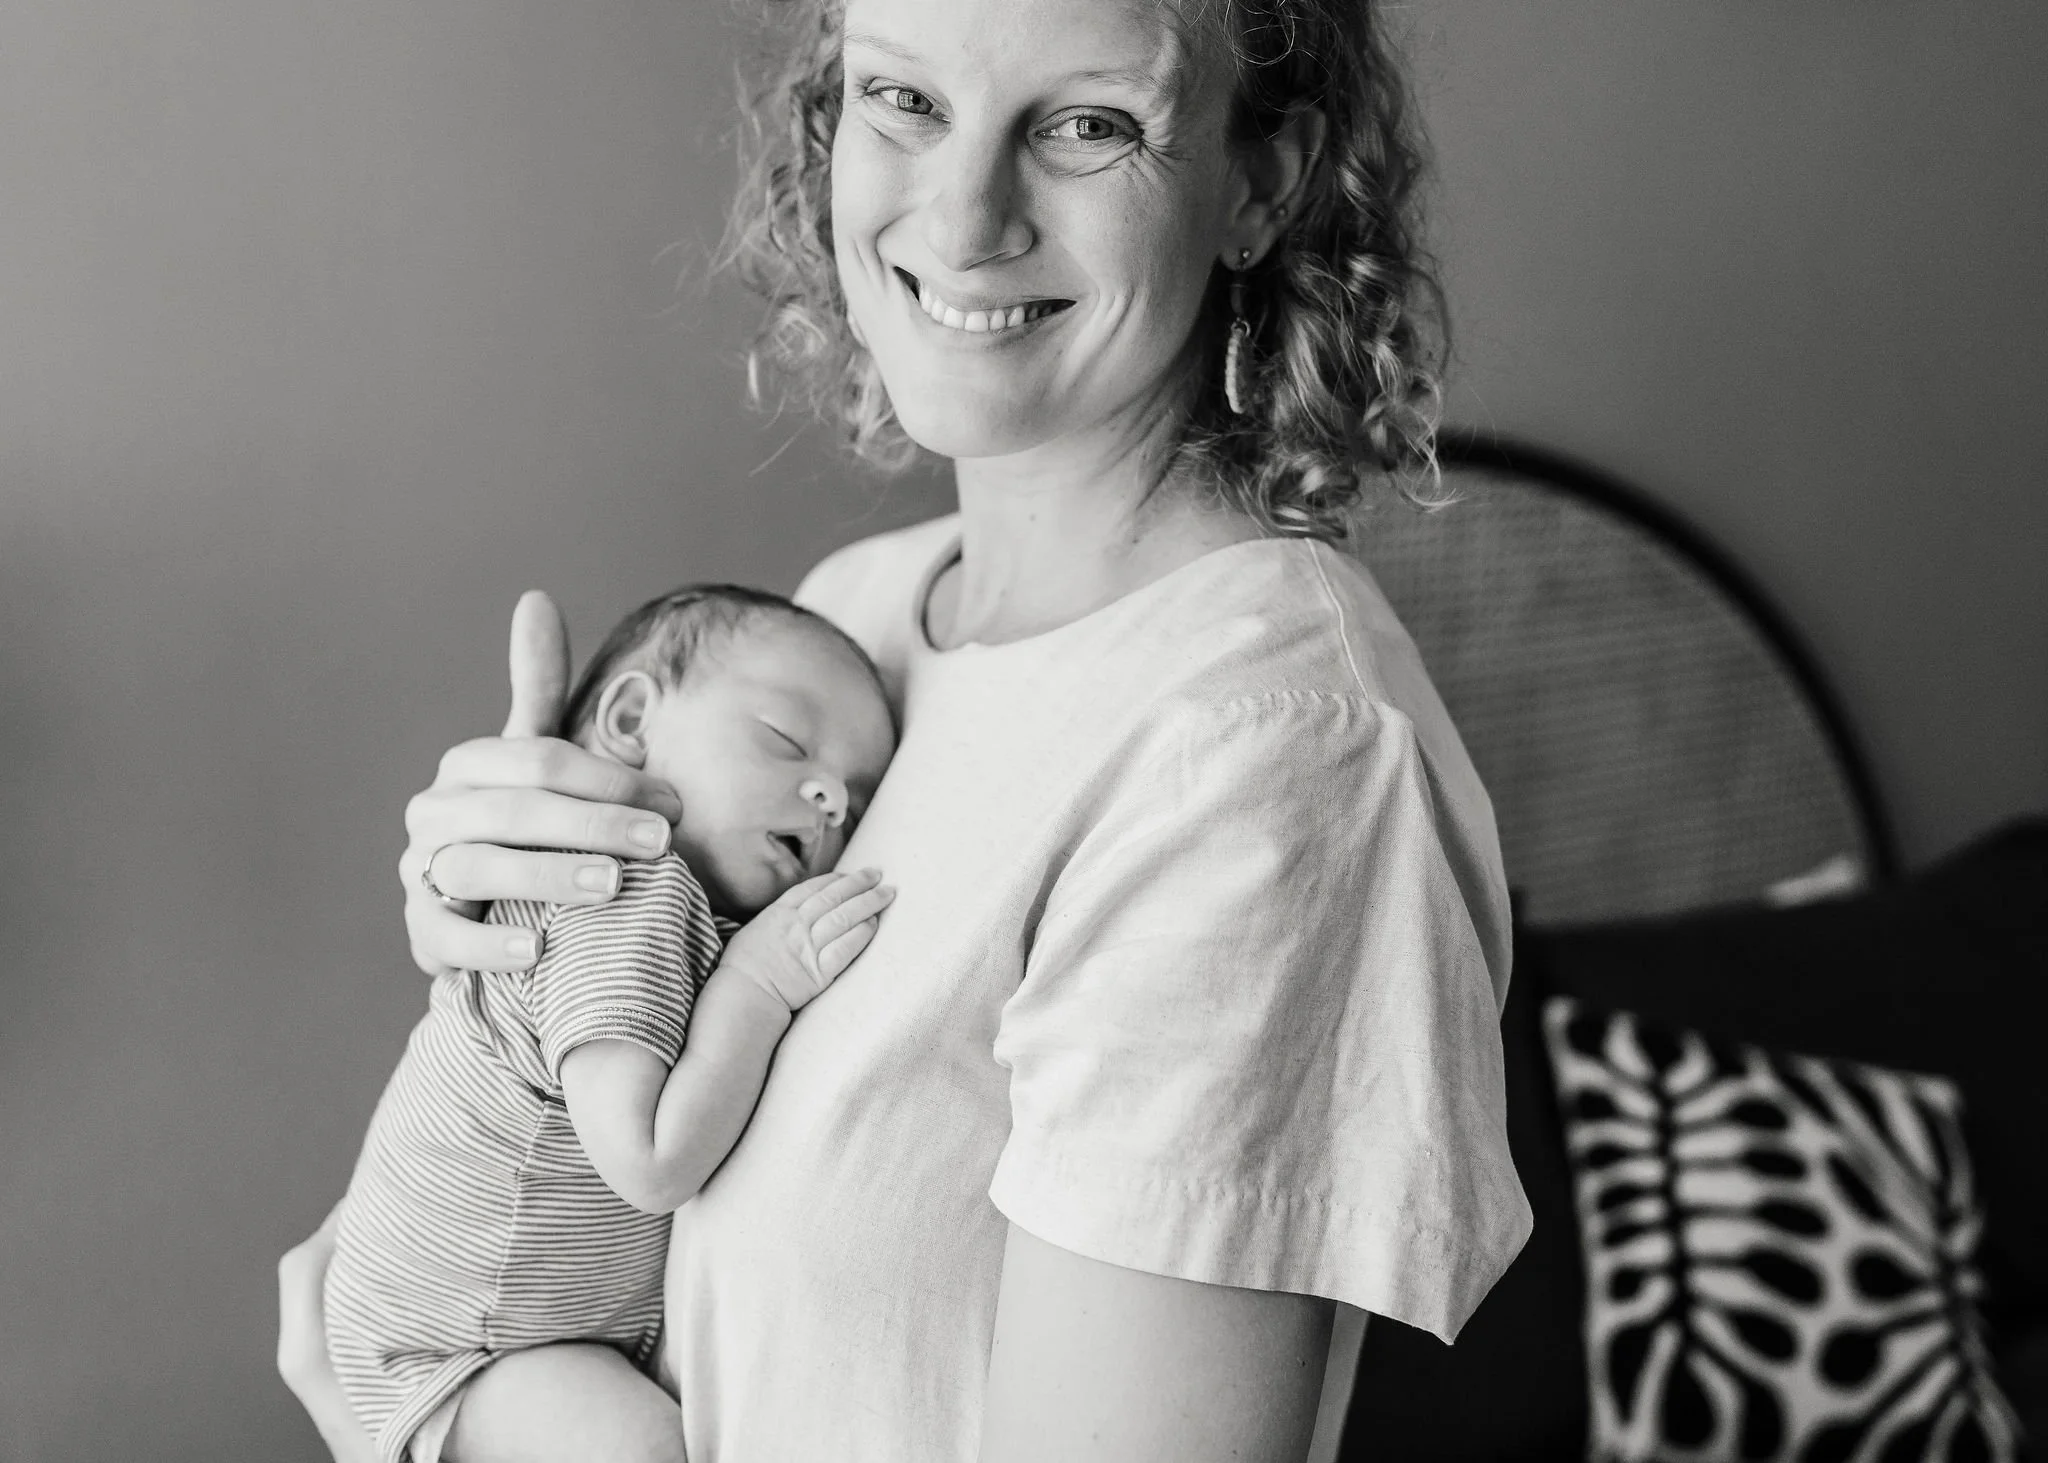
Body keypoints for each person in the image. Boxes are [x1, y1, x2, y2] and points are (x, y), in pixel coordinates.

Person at [278, 0, 1534, 1458]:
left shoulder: (1263, 755)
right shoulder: (854, 623)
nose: (963, 213)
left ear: (1259, 180)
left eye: (1086, 123)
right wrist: (522, 936)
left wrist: (417, 1429)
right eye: (906, 100)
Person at [324, 586, 898, 1463]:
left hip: (506, 1331)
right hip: (462, 1351)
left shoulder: (676, 902)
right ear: (632, 719)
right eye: (786, 741)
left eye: (853, 807)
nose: (827, 799)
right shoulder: (623, 888)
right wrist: (760, 982)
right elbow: (650, 1158)